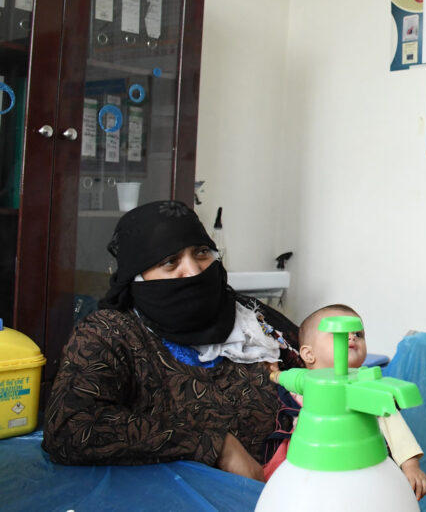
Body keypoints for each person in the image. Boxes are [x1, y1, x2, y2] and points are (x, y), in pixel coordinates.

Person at [43, 200, 302, 481]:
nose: (194, 271)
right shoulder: (110, 333)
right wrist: (215, 444)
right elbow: (70, 428)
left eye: (201, 252)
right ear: (138, 275)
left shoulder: (249, 317)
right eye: (170, 262)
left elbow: (317, 363)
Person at [263, 303, 426, 501]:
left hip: (360, 468)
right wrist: (273, 373)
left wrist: (410, 467)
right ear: (309, 354)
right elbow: (285, 378)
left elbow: (394, 426)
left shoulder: (366, 388)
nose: (352, 337)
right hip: (309, 471)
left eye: (358, 334)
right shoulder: (300, 383)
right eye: (340, 334)